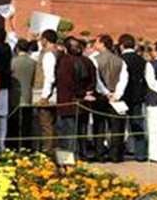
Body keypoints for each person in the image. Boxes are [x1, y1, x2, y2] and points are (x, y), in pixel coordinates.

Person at [53, 36, 96, 165]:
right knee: (81, 131)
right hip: (83, 102)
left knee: (68, 133)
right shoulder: (87, 61)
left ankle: (69, 159)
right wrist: (87, 93)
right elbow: (93, 81)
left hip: (68, 103)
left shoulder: (65, 62)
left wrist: (82, 93)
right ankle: (82, 155)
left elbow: (67, 84)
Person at [89, 35, 127, 162]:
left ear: (102, 44)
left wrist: (106, 92)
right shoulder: (120, 60)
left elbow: (97, 79)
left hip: (101, 97)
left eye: (96, 42)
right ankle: (115, 155)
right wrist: (117, 94)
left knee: (99, 126)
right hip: (116, 97)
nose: (95, 44)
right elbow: (123, 79)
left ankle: (99, 154)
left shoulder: (94, 59)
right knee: (116, 127)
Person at [116, 35, 147, 161]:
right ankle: (140, 153)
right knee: (137, 126)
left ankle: (119, 153)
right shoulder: (142, 60)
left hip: (122, 96)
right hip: (137, 96)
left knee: (119, 126)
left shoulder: (119, 59)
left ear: (121, 45)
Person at [31, 29, 59, 157]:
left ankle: (48, 150)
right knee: (49, 124)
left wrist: (44, 96)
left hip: (46, 93)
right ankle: (49, 148)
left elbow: (50, 77)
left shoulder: (49, 55)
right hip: (51, 93)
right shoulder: (55, 52)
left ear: (45, 40)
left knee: (46, 123)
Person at [9, 39, 37, 151]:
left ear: (17, 48)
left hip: (15, 95)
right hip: (28, 94)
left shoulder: (12, 61)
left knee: (14, 123)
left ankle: (13, 145)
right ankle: (26, 146)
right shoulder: (33, 62)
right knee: (27, 123)